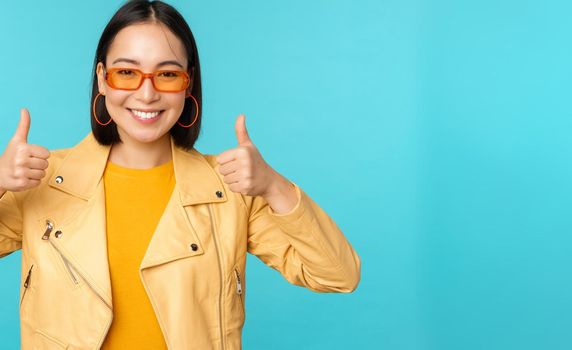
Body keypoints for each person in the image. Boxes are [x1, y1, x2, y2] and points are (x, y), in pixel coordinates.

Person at [0, 1, 361, 348]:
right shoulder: (42, 180)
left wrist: (273, 185)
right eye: (126, 72)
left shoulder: (230, 192)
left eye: (167, 74)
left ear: (187, 84)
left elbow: (337, 275)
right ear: (102, 79)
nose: (146, 93)